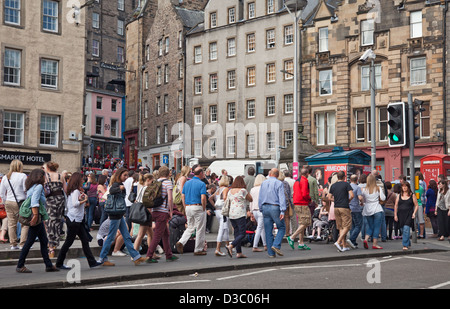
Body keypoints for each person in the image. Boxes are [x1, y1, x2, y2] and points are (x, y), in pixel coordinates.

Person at [97, 168, 148, 266]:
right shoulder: (116, 184)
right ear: (119, 175)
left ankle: (136, 256)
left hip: (119, 214)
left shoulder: (120, 184)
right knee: (111, 236)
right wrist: (120, 188)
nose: (126, 177)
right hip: (116, 214)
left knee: (126, 236)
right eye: (124, 175)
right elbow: (111, 190)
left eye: (126, 175)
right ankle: (102, 258)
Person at [16, 168, 59, 273]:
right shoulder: (39, 186)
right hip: (37, 217)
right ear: (40, 177)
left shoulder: (32, 187)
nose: (46, 178)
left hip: (38, 217)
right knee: (29, 242)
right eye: (44, 176)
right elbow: (34, 201)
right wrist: (35, 215)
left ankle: (48, 265)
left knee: (43, 241)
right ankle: (20, 265)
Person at [55, 172, 101, 269]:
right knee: (69, 242)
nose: (83, 181)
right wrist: (84, 200)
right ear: (77, 180)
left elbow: (74, 203)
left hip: (76, 220)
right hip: (74, 220)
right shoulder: (75, 191)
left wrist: (80, 198)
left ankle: (92, 262)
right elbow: (75, 204)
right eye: (82, 179)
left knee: (84, 240)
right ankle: (59, 263)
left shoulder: (74, 191)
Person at [146, 166, 179, 263]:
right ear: (168, 173)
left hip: (155, 210)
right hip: (163, 212)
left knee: (165, 233)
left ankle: (169, 254)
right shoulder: (168, 182)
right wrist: (171, 210)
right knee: (157, 235)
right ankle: (149, 255)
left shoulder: (156, 182)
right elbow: (170, 198)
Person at [177, 167, 208, 255]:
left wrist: (185, 206)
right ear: (201, 173)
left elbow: (183, 196)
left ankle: (181, 242)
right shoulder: (201, 184)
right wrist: (204, 207)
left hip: (188, 206)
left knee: (190, 227)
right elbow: (203, 197)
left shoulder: (187, 183)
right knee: (200, 228)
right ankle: (198, 249)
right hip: (198, 206)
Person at [0, 159, 28, 249]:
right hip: (20, 202)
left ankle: (13, 244)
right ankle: (22, 244)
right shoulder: (23, 176)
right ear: (20, 167)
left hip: (8, 202)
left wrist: (4, 202)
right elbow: (25, 190)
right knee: (24, 224)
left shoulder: (6, 177)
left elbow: (1, 193)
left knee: (11, 224)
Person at [258, 168, 286, 258]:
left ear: (270, 174)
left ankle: (271, 253)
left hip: (265, 207)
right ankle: (276, 245)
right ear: (277, 175)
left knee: (268, 231)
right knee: (281, 227)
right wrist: (282, 210)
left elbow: (260, 197)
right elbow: (282, 197)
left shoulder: (264, 183)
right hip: (275, 207)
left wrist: (261, 208)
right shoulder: (279, 183)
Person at [43, 161, 67, 258]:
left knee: (49, 222)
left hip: (50, 200)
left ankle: (51, 247)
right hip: (60, 200)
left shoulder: (46, 176)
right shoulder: (60, 176)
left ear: (48, 168)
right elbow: (65, 190)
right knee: (57, 221)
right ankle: (55, 243)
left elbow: (44, 190)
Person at [224, 176, 253, 258]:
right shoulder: (243, 191)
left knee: (237, 233)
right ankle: (231, 245)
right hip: (240, 214)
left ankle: (239, 252)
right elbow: (251, 199)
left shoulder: (230, 191)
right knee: (242, 233)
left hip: (231, 214)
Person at [328, 171, 354, 252]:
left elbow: (329, 197)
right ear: (344, 177)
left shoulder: (333, 185)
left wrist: (335, 200)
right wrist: (348, 200)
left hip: (336, 207)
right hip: (344, 207)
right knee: (347, 226)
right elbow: (352, 195)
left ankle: (344, 245)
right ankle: (338, 241)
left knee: (340, 226)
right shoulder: (346, 184)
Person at [288, 168, 312, 251]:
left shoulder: (297, 181)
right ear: (307, 174)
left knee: (302, 222)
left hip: (296, 203)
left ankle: (301, 243)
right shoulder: (304, 180)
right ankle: (292, 237)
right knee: (306, 221)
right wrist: (309, 199)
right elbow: (305, 193)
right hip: (302, 203)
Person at [361, 175, 386, 250]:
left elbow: (362, 199)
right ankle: (375, 244)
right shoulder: (378, 188)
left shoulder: (364, 190)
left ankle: (366, 239)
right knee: (377, 227)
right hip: (377, 208)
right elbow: (383, 198)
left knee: (370, 226)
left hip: (368, 209)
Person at [133, 173, 154, 256]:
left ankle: (151, 253)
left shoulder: (141, 188)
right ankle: (134, 254)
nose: (152, 184)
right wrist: (151, 213)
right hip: (145, 214)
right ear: (148, 180)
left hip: (142, 213)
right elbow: (147, 203)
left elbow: (136, 200)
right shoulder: (147, 190)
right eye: (152, 181)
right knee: (141, 235)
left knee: (150, 234)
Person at [209, 175, 230, 256]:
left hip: (217, 211)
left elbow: (210, 198)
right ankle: (218, 248)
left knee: (225, 228)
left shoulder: (218, 189)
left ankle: (228, 246)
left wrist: (215, 206)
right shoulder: (226, 189)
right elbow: (225, 198)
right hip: (223, 212)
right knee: (222, 229)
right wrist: (227, 205)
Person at [394, 181, 419, 251]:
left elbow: (416, 205)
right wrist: (395, 215)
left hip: (409, 215)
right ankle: (408, 242)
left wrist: (414, 213)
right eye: (403, 186)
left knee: (406, 229)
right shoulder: (399, 195)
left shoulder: (412, 195)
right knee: (402, 230)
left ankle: (405, 245)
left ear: (408, 187)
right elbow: (396, 205)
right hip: (400, 215)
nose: (404, 188)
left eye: (405, 186)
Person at [249, 175, 267, 252]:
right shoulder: (263, 188)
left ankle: (265, 244)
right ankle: (255, 245)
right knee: (260, 227)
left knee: (261, 227)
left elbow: (251, 201)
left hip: (254, 209)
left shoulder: (252, 189)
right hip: (261, 209)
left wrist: (251, 211)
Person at [348, 174, 363, 248]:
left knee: (352, 226)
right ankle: (351, 239)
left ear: (350, 180)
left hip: (348, 208)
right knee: (358, 225)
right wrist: (362, 201)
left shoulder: (347, 187)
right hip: (356, 208)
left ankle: (353, 242)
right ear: (357, 180)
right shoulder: (358, 188)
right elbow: (360, 198)